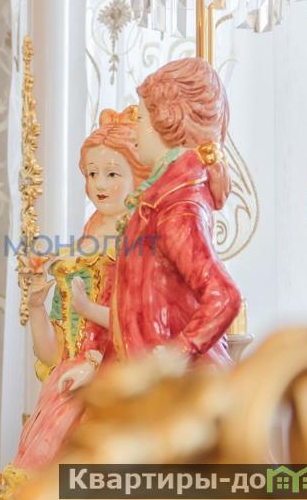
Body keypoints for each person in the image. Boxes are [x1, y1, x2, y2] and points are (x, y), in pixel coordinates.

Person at [0, 106, 149, 500]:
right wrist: (36, 307)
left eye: (112, 174)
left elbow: (140, 324)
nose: (99, 184)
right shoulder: (78, 252)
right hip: (68, 384)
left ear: (139, 177)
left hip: (118, 382)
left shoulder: (141, 248)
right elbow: (54, 353)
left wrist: (88, 313)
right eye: (92, 173)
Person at [102, 56, 241, 376]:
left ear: (166, 119)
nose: (134, 133)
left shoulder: (177, 206)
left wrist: (179, 350)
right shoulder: (158, 200)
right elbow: (133, 310)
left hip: (176, 391)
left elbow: (224, 296)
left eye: (139, 118)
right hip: (147, 382)